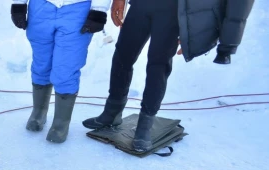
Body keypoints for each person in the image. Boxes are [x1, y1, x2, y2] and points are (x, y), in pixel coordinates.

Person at [82, 0, 255, 152]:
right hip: (141, 5)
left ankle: (145, 125)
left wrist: (198, 31)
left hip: (172, 10)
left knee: (158, 65)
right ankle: (112, 113)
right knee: (122, 56)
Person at [10, 0, 111, 143]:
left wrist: (99, 9)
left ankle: (60, 123)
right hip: (41, 8)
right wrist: (18, 4)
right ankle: (39, 112)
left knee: (66, 68)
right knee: (41, 64)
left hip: (77, 10)